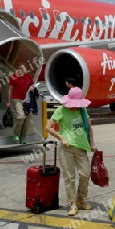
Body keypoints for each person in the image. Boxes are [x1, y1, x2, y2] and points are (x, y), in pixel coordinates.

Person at [46, 87, 97, 216]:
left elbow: (89, 127)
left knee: (85, 173)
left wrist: (92, 143)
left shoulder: (82, 110)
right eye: (73, 105)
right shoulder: (61, 110)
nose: (75, 108)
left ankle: (81, 197)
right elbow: (48, 127)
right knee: (69, 177)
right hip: (66, 149)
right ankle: (73, 203)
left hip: (81, 148)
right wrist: (61, 138)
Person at [7, 63, 35, 144]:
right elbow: (10, 89)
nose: (20, 70)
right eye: (18, 68)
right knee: (21, 117)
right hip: (17, 99)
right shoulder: (13, 76)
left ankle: (23, 138)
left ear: (25, 69)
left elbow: (32, 85)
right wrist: (8, 101)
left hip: (27, 100)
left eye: (22, 68)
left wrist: (33, 88)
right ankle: (16, 133)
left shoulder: (28, 76)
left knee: (27, 120)